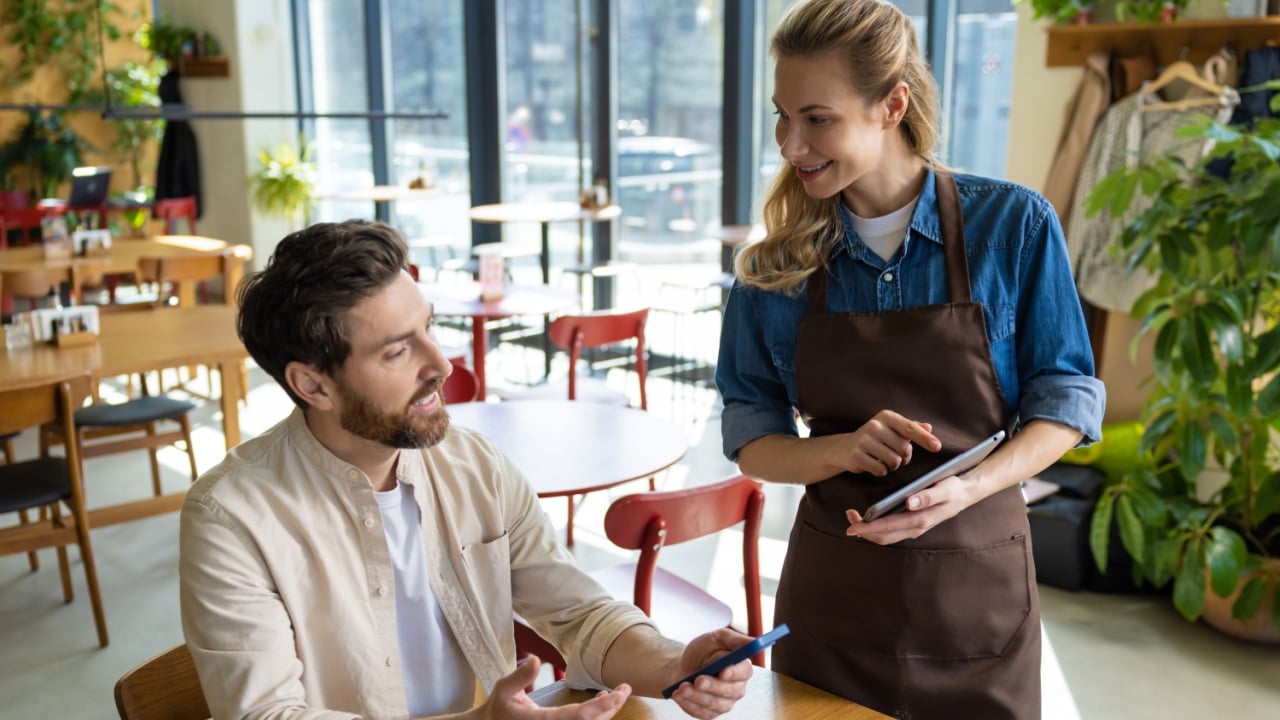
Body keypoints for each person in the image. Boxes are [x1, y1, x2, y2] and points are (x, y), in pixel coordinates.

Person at [180, 220, 751, 720]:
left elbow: (579, 615)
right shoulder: (231, 519)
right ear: (312, 384)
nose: (442, 365)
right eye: (397, 351)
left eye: (428, 328)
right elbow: (267, 714)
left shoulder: (473, 463)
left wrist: (676, 663)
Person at [715, 1, 1105, 719]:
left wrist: (967, 487)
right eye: (782, 116)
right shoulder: (771, 272)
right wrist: (839, 449)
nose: (790, 142)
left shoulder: (1014, 227)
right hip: (835, 605)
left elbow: (1066, 403)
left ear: (891, 104)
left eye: (816, 118)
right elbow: (752, 441)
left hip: (978, 602)